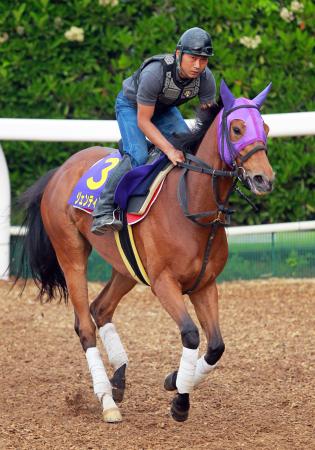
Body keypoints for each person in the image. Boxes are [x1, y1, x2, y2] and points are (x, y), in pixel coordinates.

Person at [91, 26, 216, 234]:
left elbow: (207, 122)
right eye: (193, 58)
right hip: (131, 107)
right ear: (179, 54)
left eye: (203, 60)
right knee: (138, 155)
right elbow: (144, 121)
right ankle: (102, 210)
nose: (197, 65)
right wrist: (168, 149)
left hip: (163, 109)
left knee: (190, 150)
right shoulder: (155, 73)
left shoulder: (206, 78)